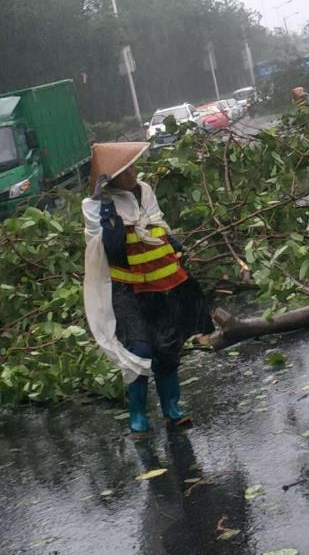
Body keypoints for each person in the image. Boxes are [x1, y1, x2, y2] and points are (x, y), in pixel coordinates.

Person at [82, 142, 214, 433]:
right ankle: (138, 415)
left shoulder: (144, 190)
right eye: (124, 169)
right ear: (111, 176)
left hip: (163, 284)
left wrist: (175, 246)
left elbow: (157, 225)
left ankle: (171, 408)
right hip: (127, 291)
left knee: (168, 348)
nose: (132, 172)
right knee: (139, 349)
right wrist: (106, 207)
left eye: (132, 166)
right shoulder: (93, 206)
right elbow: (112, 249)